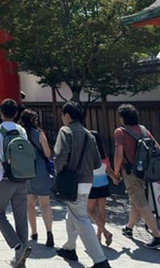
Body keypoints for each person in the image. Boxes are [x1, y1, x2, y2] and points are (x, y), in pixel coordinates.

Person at [53, 102, 110, 268]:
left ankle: (100, 260)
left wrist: (59, 170)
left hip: (71, 182)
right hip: (87, 181)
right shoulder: (88, 134)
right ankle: (69, 247)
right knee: (73, 214)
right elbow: (96, 162)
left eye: (63, 115)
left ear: (68, 116)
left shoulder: (65, 131)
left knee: (81, 218)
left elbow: (60, 156)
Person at [0, 99, 31, 268]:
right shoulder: (21, 130)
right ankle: (21, 258)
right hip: (22, 179)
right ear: (16, 113)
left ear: (0, 112)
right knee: (21, 217)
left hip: (3, 179)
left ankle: (18, 246)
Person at [112, 104, 160, 249]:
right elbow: (158, 150)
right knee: (136, 199)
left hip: (130, 171)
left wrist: (116, 172)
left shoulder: (120, 132)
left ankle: (157, 235)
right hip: (145, 171)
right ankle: (129, 228)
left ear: (123, 118)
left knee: (141, 202)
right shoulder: (143, 130)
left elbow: (119, 153)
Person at [20, 109, 54, 248]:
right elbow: (47, 152)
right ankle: (49, 232)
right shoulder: (39, 133)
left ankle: (33, 232)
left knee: (30, 204)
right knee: (45, 204)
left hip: (26, 170)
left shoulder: (20, 133)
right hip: (40, 168)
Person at [88, 130, 114, 246]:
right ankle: (98, 235)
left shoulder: (88, 156)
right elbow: (109, 171)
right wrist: (115, 178)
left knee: (90, 211)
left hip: (92, 186)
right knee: (102, 211)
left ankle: (105, 232)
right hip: (103, 185)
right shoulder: (104, 156)